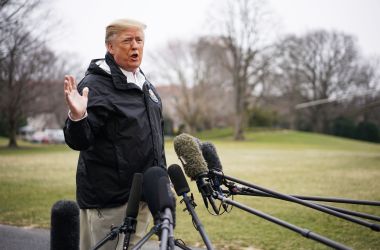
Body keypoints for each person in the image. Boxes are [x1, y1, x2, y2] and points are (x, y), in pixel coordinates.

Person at [63, 18, 166, 250]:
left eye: (139, 40)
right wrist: (78, 117)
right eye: (127, 40)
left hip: (143, 197)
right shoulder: (95, 86)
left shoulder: (145, 85)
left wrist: (161, 181)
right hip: (111, 203)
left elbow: (154, 140)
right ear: (110, 47)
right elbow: (78, 141)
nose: (135, 46)